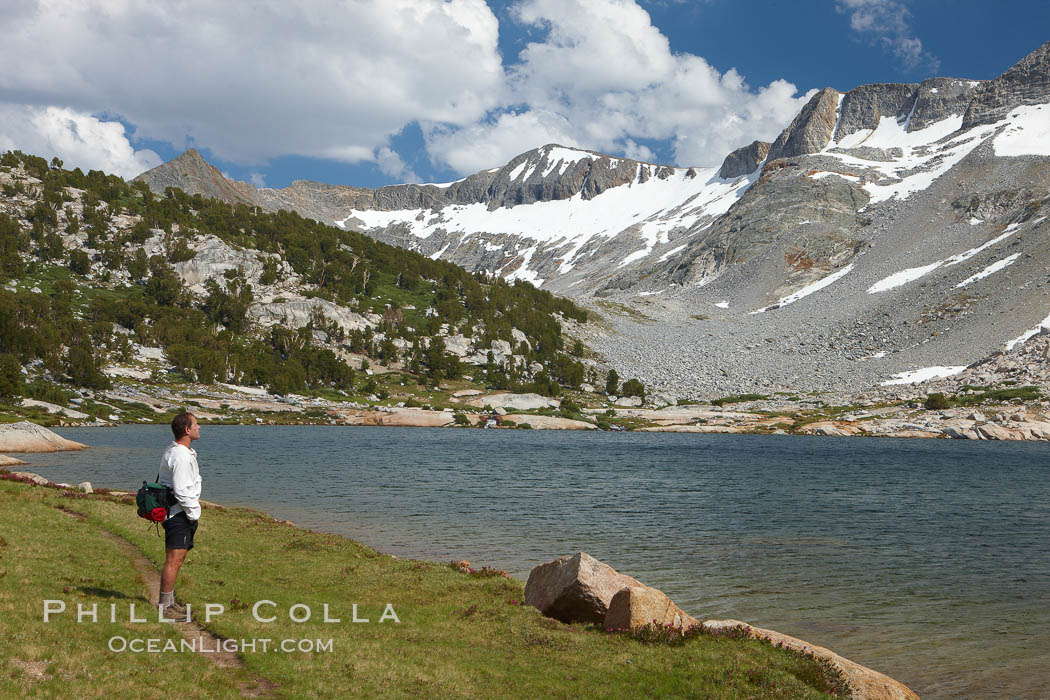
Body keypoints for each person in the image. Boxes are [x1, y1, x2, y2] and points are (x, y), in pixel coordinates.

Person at [158, 412, 202, 616]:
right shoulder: (182, 456)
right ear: (187, 430)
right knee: (174, 559)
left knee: (178, 558)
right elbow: (181, 489)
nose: (199, 427)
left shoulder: (177, 451)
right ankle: (165, 606)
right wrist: (193, 513)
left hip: (176, 512)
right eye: (196, 424)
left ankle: (170, 601)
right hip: (178, 513)